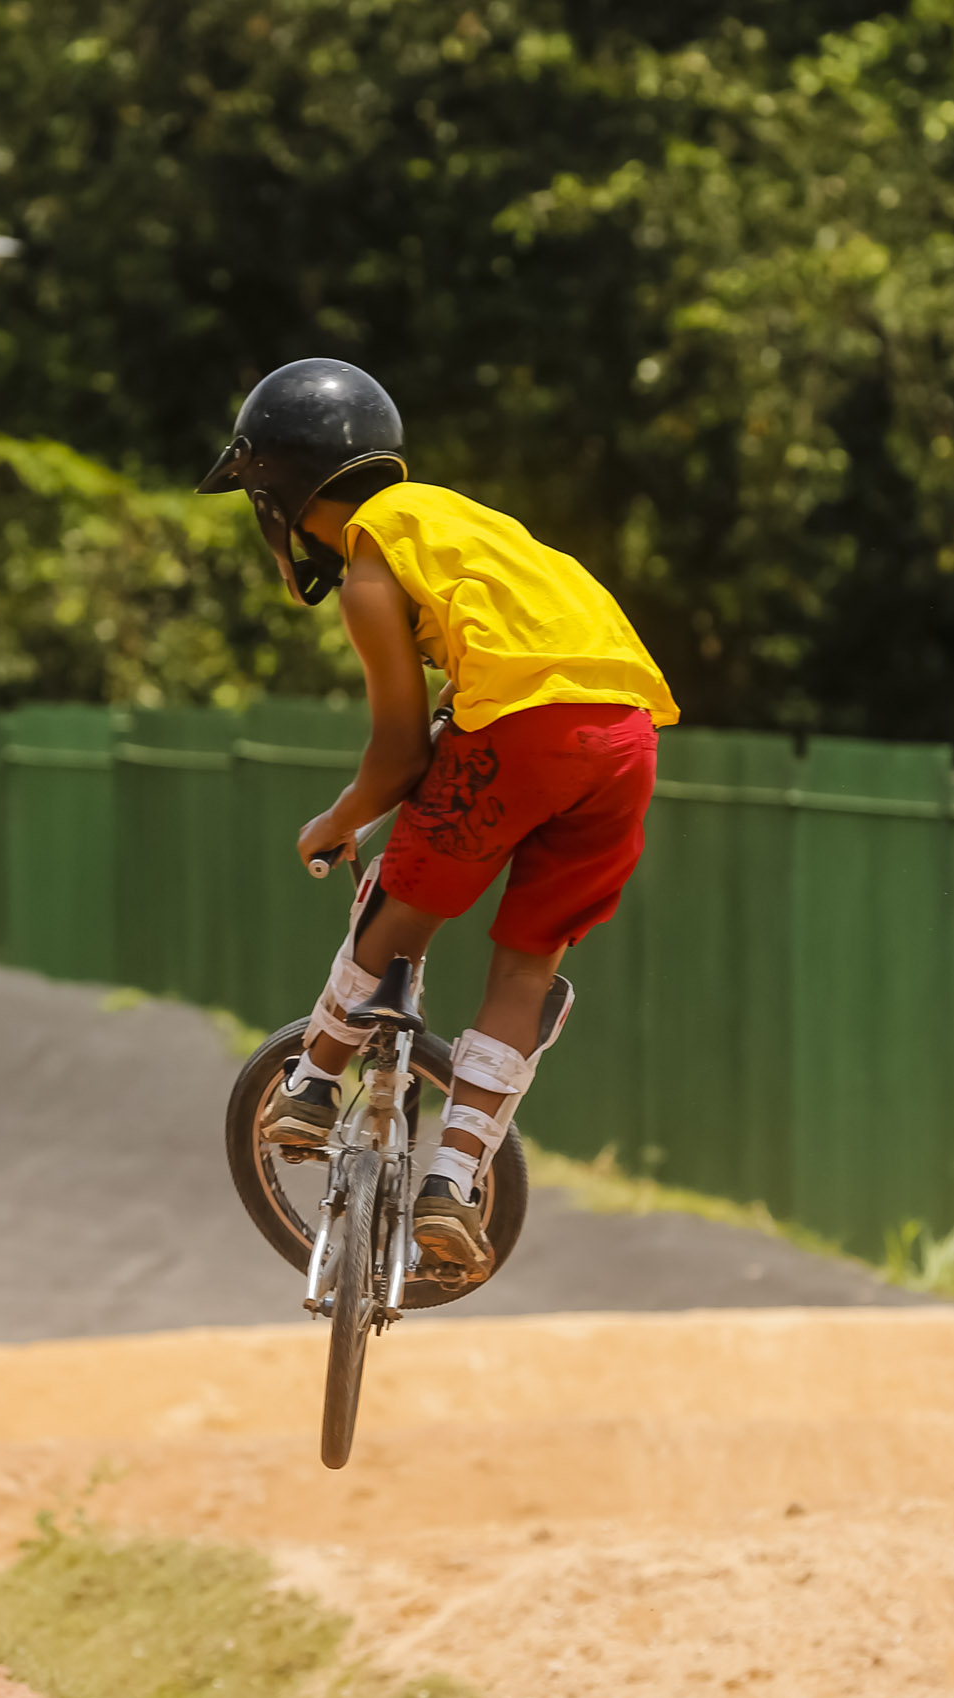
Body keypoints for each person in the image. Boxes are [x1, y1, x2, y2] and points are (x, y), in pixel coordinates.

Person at [197, 357, 678, 1278]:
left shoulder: (374, 548)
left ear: (282, 492)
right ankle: (454, 1184)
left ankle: (308, 1086)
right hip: (625, 738)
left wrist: (335, 822)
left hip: (525, 730)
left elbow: (399, 757)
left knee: (406, 894)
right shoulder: (468, 524)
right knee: (529, 962)